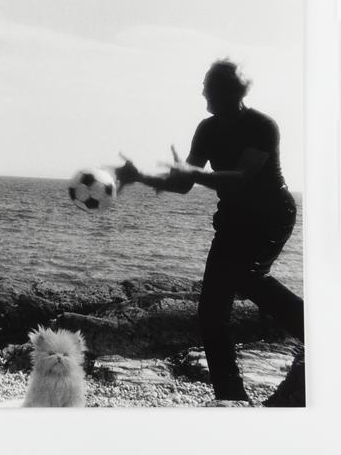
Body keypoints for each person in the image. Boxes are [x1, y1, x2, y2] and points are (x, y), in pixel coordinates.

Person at [116, 59, 303, 402]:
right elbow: (184, 183)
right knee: (211, 313)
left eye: (208, 86)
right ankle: (230, 397)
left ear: (228, 91)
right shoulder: (207, 129)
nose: (202, 92)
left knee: (249, 278)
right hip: (233, 221)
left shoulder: (263, 126)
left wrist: (190, 173)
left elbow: (240, 179)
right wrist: (139, 176)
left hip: (271, 216)